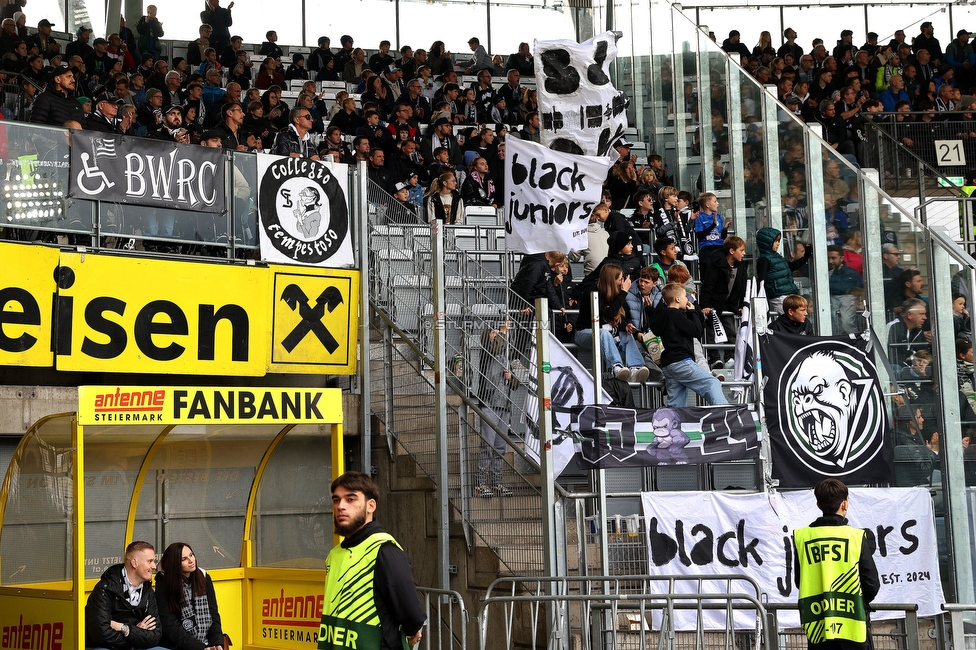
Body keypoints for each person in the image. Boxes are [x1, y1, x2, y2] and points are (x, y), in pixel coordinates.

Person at [320, 471, 426, 650]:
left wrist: (405, 636)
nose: (340, 506)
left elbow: (412, 616)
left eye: (350, 499)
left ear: (371, 506)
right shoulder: (335, 554)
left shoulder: (384, 550)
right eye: (336, 500)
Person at [793, 479, 879, 650]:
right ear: (844, 504)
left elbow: (799, 580)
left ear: (818, 505)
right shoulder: (856, 537)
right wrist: (856, 602)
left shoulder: (802, 537)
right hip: (854, 626)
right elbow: (871, 584)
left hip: (818, 628)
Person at [649, 283, 728, 406]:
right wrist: (692, 312)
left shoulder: (664, 315)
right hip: (681, 361)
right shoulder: (675, 314)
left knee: (677, 403)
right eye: (685, 296)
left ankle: (673, 419)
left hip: (669, 365)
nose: (687, 300)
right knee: (712, 383)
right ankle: (725, 412)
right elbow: (697, 331)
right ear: (678, 299)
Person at [573, 263, 650, 382]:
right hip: (585, 333)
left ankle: (635, 368)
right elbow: (607, 315)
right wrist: (623, 292)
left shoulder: (617, 293)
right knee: (603, 333)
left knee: (626, 333)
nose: (622, 282)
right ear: (611, 280)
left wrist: (627, 326)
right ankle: (616, 367)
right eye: (620, 279)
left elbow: (620, 319)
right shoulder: (591, 292)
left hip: (608, 333)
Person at [85, 540, 165, 650]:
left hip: (135, 645)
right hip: (105, 647)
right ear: (134, 563)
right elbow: (101, 634)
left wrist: (125, 629)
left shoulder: (148, 591)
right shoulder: (105, 588)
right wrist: (136, 634)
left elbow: (155, 635)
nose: (154, 566)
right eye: (150, 561)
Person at [474, 321, 518, 498]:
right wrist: (503, 331)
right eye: (493, 333)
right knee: (488, 445)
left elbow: (515, 384)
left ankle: (496, 482)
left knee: (500, 446)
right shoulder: (487, 352)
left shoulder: (505, 355)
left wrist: (511, 377)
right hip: (489, 403)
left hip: (504, 405)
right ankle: (480, 483)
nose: (497, 334)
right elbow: (496, 347)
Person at [155, 543, 224, 650]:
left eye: (191, 555)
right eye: (184, 559)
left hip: (206, 642)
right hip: (177, 645)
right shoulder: (164, 584)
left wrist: (217, 642)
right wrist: (200, 647)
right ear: (174, 563)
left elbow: (213, 614)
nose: (191, 560)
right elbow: (169, 625)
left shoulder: (204, 577)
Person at [756, 227, 811, 314]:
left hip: (788, 295)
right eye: (775, 241)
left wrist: (806, 256)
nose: (778, 244)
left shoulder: (777, 257)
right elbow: (761, 281)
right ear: (767, 243)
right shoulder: (764, 259)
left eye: (778, 241)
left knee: (796, 316)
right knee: (792, 317)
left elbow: (792, 266)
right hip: (779, 296)